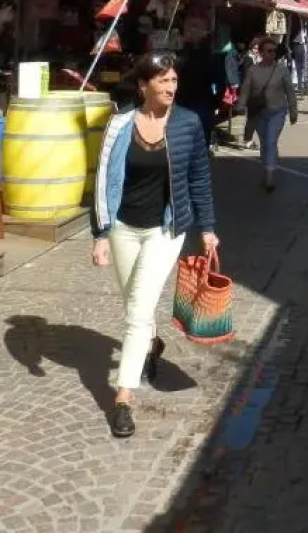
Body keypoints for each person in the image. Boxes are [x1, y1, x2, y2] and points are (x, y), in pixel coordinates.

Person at [91, 52, 219, 439]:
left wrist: (207, 228)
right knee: (132, 300)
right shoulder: (119, 124)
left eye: (174, 80)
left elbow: (199, 177)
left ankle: (123, 399)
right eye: (163, 80)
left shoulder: (187, 123)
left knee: (137, 311)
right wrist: (100, 234)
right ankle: (152, 342)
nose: (170, 87)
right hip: (123, 227)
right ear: (143, 85)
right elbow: (102, 180)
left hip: (166, 229)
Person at [237, 36, 298, 192]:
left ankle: (269, 175)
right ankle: (268, 166)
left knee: (270, 140)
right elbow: (245, 89)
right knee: (265, 143)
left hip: (277, 112)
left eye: (274, 51)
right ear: (261, 53)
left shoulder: (282, 70)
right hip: (259, 113)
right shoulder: (253, 71)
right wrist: (241, 104)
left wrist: (293, 111)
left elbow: (290, 92)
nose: (272, 54)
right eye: (269, 51)